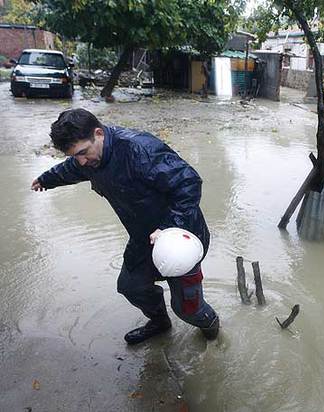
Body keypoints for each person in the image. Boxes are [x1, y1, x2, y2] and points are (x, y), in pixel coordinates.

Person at [31, 109, 220, 345]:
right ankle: (160, 323)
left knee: (188, 309)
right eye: (74, 155)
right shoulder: (86, 159)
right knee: (131, 286)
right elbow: (71, 168)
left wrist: (170, 227)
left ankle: (213, 335)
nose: (81, 161)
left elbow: (189, 183)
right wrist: (46, 180)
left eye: (82, 153)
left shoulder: (140, 149)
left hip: (179, 239)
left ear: (98, 133)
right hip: (143, 237)